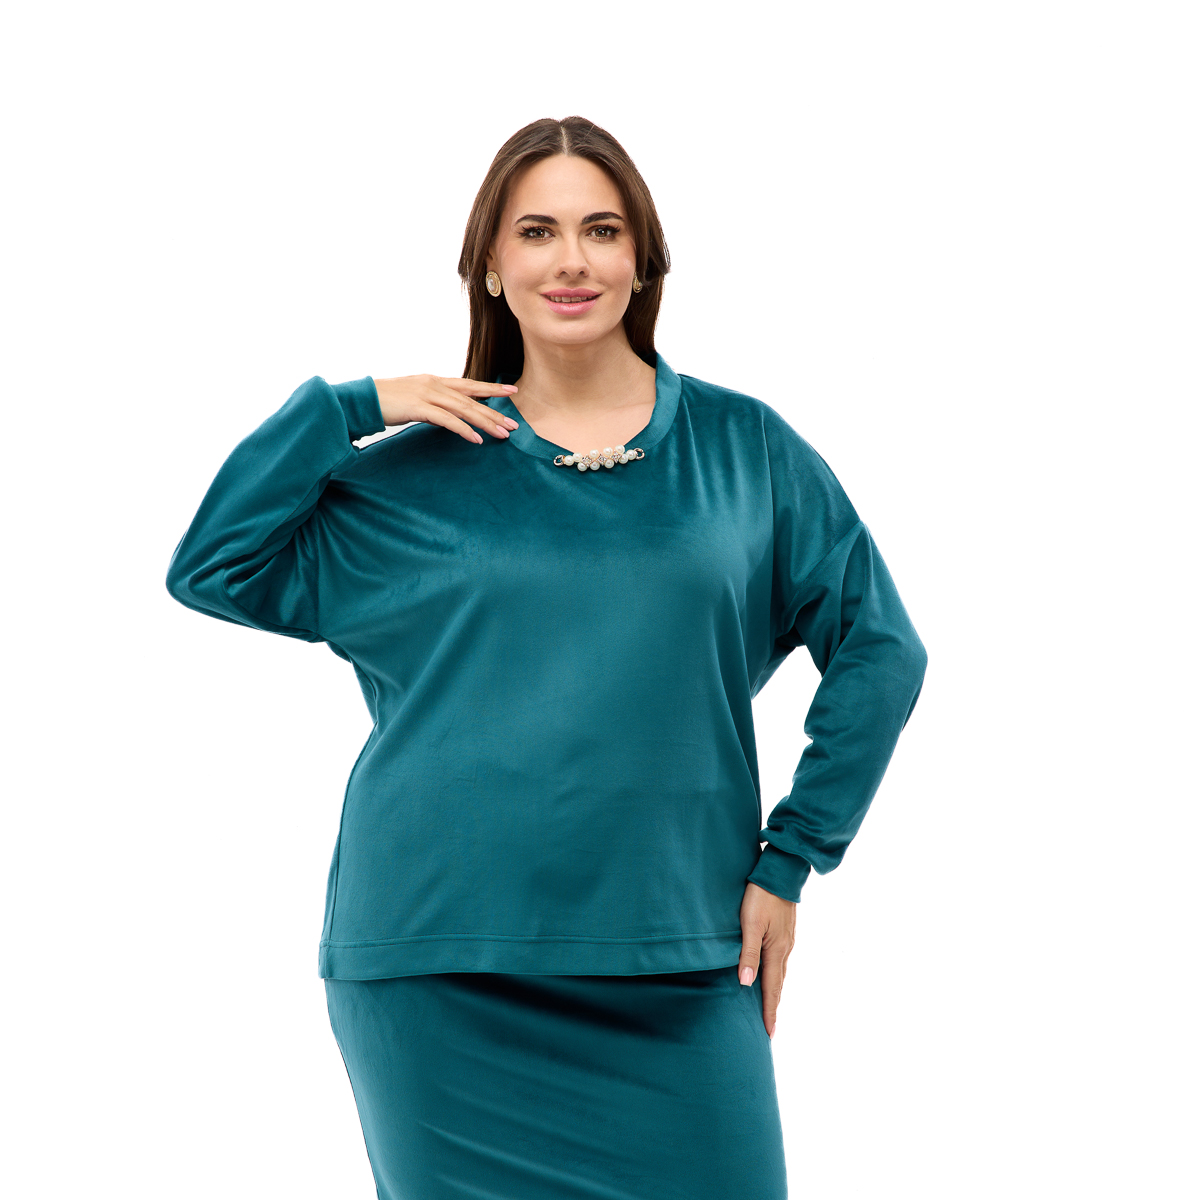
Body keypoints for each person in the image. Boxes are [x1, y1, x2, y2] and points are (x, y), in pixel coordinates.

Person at [166, 115, 927, 1200]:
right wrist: (350, 408)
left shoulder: (745, 450)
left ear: (643, 260)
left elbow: (881, 649)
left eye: (601, 230)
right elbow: (213, 565)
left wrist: (792, 857)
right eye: (536, 232)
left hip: (682, 954)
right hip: (439, 963)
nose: (571, 260)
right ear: (489, 264)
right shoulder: (410, 476)